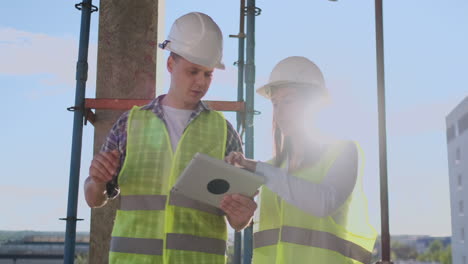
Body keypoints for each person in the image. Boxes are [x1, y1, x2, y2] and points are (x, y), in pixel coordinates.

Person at [84, 12, 257, 264]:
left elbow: (237, 220)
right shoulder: (129, 125)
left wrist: (244, 215)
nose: (201, 82)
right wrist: (97, 181)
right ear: (170, 65)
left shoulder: (224, 131)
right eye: (193, 71)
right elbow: (94, 198)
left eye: (208, 74)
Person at [225, 56, 377, 264]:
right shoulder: (270, 168)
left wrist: (257, 168)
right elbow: (249, 223)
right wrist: (239, 217)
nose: (279, 112)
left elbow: (324, 202)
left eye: (288, 101)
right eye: (275, 103)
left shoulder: (342, 153)